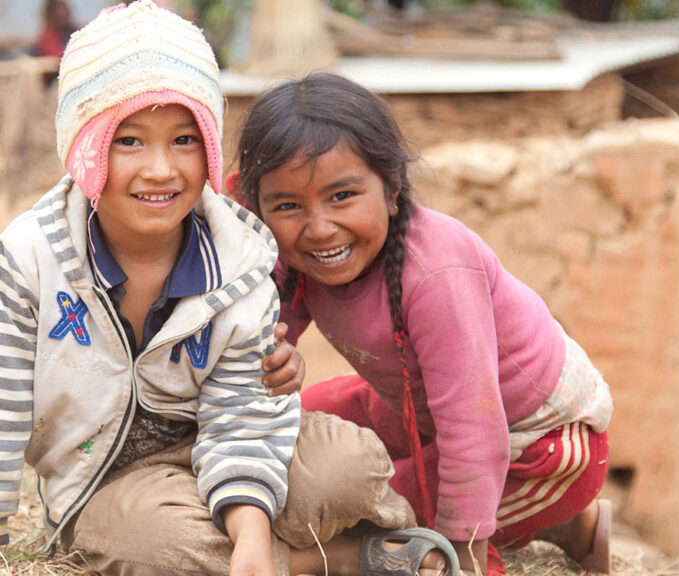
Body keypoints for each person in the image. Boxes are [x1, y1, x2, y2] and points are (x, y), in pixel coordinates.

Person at [0, 3, 462, 576]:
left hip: (227, 451)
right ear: (83, 145)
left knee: (349, 465)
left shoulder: (240, 258)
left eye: (185, 139)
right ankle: (335, 560)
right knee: (152, 543)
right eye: (130, 142)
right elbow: (5, 406)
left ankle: (256, 553)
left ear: (212, 146)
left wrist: (249, 537)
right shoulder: (31, 259)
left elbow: (241, 415)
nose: (161, 169)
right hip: (106, 480)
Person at [230, 72, 615, 576]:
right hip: (415, 409)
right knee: (302, 428)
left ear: (392, 189)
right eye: (287, 206)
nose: (319, 227)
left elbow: (474, 432)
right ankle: (569, 529)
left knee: (360, 505)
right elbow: (257, 355)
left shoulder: (436, 274)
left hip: (536, 445)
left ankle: (558, 520)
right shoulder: (298, 255)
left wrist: (466, 557)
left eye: (342, 196)